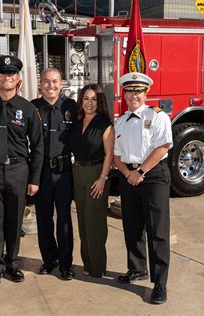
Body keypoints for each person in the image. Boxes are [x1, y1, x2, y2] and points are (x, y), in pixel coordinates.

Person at [0, 55, 43, 287]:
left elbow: (38, 145)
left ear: (17, 78)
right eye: (2, 74)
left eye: (11, 74)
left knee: (14, 219)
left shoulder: (28, 108)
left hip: (18, 169)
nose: (6, 77)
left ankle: (12, 263)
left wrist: (34, 179)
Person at [113, 72, 172, 304]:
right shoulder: (120, 120)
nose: (133, 95)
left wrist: (140, 172)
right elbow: (117, 155)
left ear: (146, 93)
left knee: (157, 230)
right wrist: (128, 172)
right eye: (129, 91)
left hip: (153, 176)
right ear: (124, 94)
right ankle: (137, 268)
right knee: (132, 225)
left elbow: (163, 147)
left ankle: (160, 282)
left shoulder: (157, 116)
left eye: (138, 91)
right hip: (129, 176)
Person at [31, 68, 76, 280]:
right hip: (41, 173)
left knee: (65, 219)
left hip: (65, 172)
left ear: (62, 83)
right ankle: (49, 260)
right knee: (44, 219)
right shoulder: (33, 108)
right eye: (47, 82)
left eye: (55, 81)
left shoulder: (71, 107)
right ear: (40, 84)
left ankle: (66, 264)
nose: (51, 85)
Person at [68, 84, 114, 278]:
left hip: (96, 174)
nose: (89, 103)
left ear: (99, 102)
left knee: (95, 222)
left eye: (94, 99)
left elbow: (109, 154)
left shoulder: (104, 124)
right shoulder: (77, 122)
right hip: (77, 172)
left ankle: (98, 267)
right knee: (83, 222)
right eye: (86, 98)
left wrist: (103, 179)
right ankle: (87, 264)